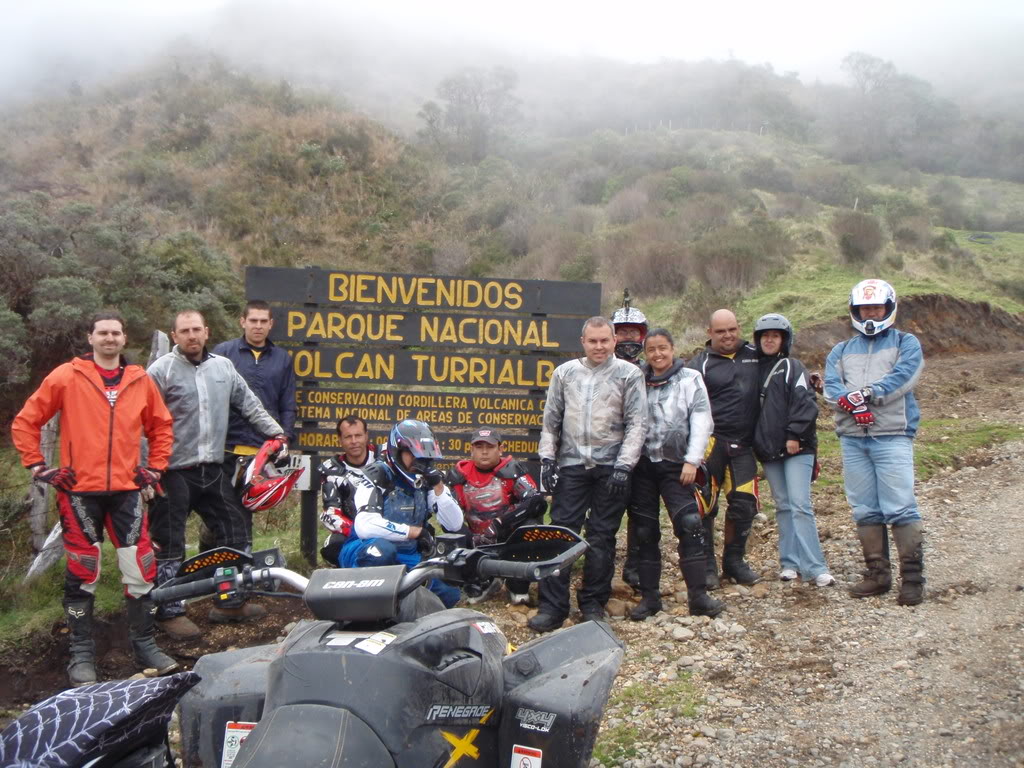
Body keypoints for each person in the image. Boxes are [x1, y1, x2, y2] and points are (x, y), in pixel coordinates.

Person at [11, 310, 178, 686]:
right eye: (102, 332)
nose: (109, 338)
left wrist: (155, 468)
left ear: (123, 338)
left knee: (139, 570)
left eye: (115, 333)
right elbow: (26, 421)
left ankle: (145, 645)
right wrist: (39, 466)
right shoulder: (66, 376)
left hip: (127, 491)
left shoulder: (140, 381)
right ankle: (81, 654)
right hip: (79, 491)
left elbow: (162, 426)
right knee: (83, 571)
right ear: (90, 338)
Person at [147, 310, 285, 638]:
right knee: (169, 543)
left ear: (206, 332)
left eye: (197, 329)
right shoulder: (160, 371)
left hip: (212, 467)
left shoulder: (223, 368)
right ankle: (169, 611)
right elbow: (141, 422)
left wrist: (276, 433)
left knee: (235, 531)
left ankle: (229, 601)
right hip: (171, 471)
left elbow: (249, 404)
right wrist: (146, 472)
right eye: (185, 331)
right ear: (175, 334)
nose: (192, 336)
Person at [529, 316, 647, 633]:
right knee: (560, 533)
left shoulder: (629, 374)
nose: (598, 346)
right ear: (583, 341)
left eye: (604, 340)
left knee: (601, 537)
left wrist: (625, 464)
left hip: (612, 466)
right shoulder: (565, 373)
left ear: (613, 342)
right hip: (571, 464)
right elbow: (551, 421)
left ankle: (593, 603)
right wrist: (547, 460)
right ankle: (552, 607)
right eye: (592, 341)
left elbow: (637, 423)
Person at [824, 280, 925, 606]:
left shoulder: (905, 343)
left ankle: (913, 578)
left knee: (900, 505)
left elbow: (904, 377)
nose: (870, 313)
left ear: (888, 308)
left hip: (893, 434)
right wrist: (848, 400)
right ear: (855, 311)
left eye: (876, 308)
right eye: (865, 308)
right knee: (865, 507)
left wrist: (868, 394)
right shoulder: (840, 350)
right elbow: (830, 386)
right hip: (853, 438)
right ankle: (877, 574)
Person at [628, 329, 724, 620]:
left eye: (663, 348)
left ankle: (698, 596)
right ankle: (650, 598)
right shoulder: (636, 381)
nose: (657, 355)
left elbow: (701, 418)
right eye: (652, 350)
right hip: (643, 465)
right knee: (644, 532)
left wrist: (693, 460)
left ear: (672, 349)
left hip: (678, 465)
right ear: (645, 353)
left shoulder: (690, 379)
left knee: (690, 523)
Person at [200, 300, 297, 551]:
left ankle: (242, 572)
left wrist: (284, 441)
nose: (258, 326)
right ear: (242, 322)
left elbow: (287, 404)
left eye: (263, 321)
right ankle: (206, 569)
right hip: (224, 448)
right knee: (216, 512)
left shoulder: (282, 359)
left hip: (259, 451)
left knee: (244, 513)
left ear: (271, 324)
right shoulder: (223, 352)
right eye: (253, 320)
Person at [339, 419, 463, 608]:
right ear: (398, 451)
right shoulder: (376, 474)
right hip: (363, 548)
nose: (420, 463)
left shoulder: (426, 480)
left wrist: (438, 486)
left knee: (450, 592)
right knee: (382, 552)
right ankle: (359, 611)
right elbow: (365, 526)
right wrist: (413, 532)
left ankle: (405, 616)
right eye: (415, 456)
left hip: (406, 555)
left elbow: (454, 524)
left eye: (424, 458)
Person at [752, 313, 835, 587]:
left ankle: (815, 566)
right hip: (768, 449)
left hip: (797, 447)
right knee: (783, 506)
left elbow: (805, 402)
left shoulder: (793, 366)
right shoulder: (753, 369)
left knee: (800, 505)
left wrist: (795, 434)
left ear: (784, 340)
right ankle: (789, 563)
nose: (769, 340)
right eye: (765, 336)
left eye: (775, 336)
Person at [687, 309, 762, 587]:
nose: (728, 336)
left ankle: (734, 562)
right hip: (711, 443)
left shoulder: (755, 355)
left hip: (743, 445)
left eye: (732, 329)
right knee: (704, 507)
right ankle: (706, 566)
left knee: (744, 505)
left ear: (738, 327)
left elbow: (782, 374)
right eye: (720, 331)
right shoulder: (699, 364)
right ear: (709, 333)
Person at [446, 427, 547, 605]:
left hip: (508, 537)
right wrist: (468, 536)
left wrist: (501, 523)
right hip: (477, 539)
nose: (484, 452)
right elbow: (447, 513)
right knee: (450, 532)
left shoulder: (511, 470)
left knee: (531, 524)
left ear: (500, 449)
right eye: (479, 447)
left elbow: (536, 502)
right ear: (471, 450)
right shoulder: (460, 475)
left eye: (490, 447)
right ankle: (479, 580)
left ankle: (517, 583)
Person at [611, 295, 649, 591]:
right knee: (606, 513)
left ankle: (635, 564)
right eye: (622, 331)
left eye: (633, 331)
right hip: (607, 453)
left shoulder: (652, 370)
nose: (627, 337)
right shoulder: (600, 369)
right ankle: (603, 563)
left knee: (642, 512)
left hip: (644, 454)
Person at [318, 414, 378, 566]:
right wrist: (359, 531)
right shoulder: (331, 469)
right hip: (353, 529)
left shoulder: (384, 459)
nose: (354, 441)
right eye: (348, 437)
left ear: (366, 436)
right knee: (332, 545)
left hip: (389, 524)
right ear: (340, 439)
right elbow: (331, 512)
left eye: (358, 435)